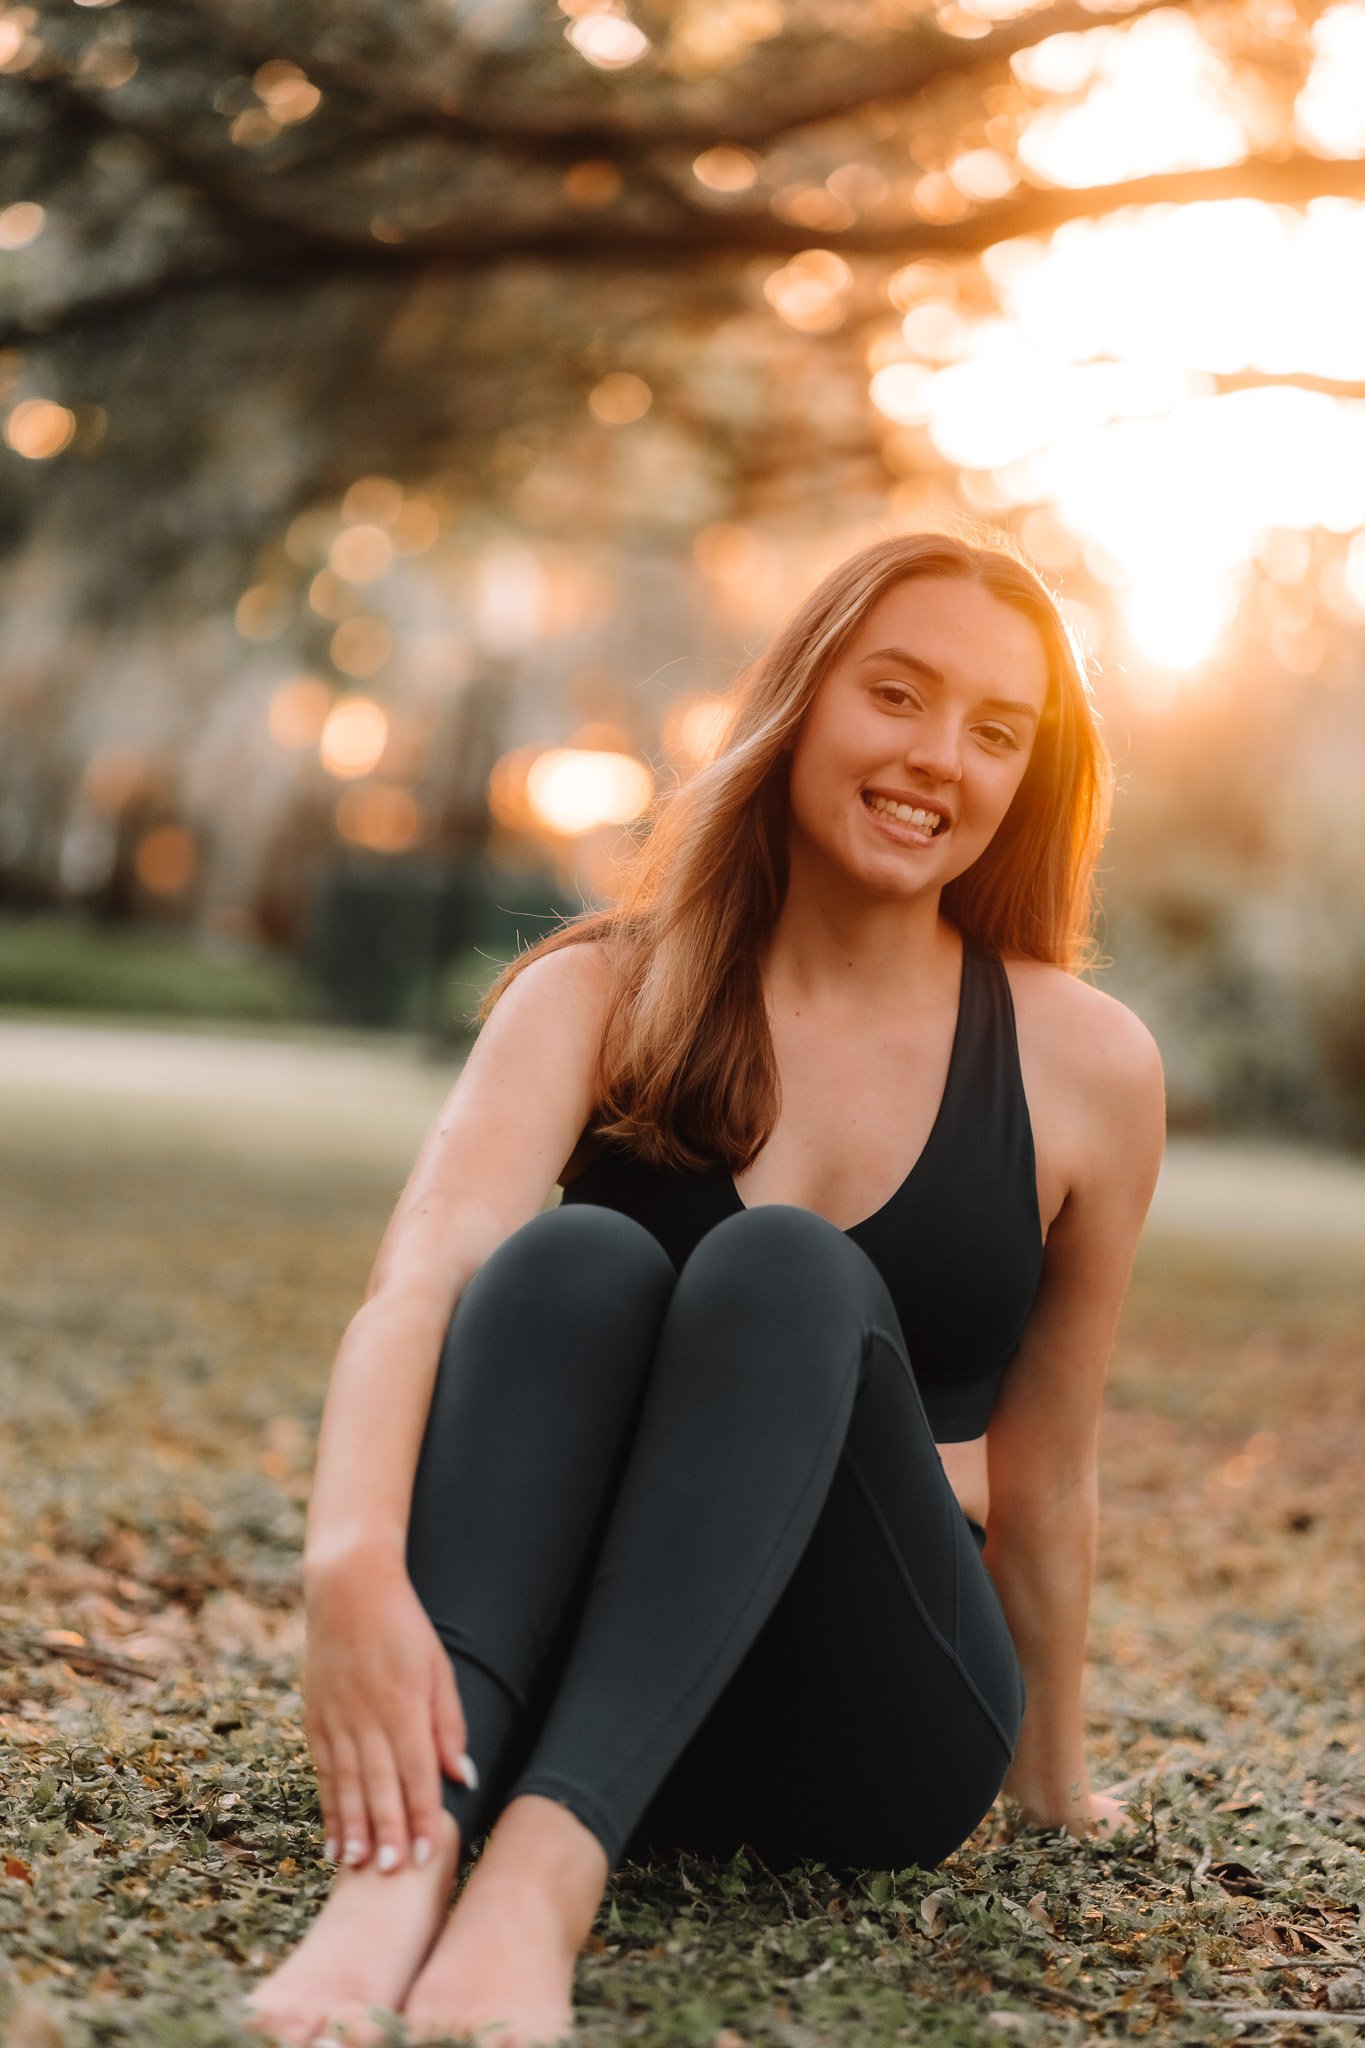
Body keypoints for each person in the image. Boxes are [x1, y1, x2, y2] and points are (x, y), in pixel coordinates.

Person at [245, 528, 1166, 2048]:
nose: (936, 758)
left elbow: (1042, 1465)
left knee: (782, 1267)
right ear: (800, 701)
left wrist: (1055, 1781)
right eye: (896, 694)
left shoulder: (1083, 1064)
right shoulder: (599, 990)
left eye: (994, 732)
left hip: (862, 1738)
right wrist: (350, 1554)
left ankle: (538, 1887)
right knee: (576, 1255)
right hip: (562, 1678)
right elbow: (422, 1281)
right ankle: (403, 1869)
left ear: (1028, 779)